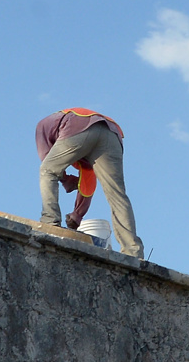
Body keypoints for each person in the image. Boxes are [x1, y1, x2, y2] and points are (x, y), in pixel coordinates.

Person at [34, 108, 143, 259]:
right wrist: (77, 215)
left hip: (77, 124)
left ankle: (49, 221)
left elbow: (49, 166)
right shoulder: (85, 159)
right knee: (117, 195)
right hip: (111, 132)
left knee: (46, 171)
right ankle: (133, 251)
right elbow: (88, 185)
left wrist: (66, 180)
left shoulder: (43, 126)